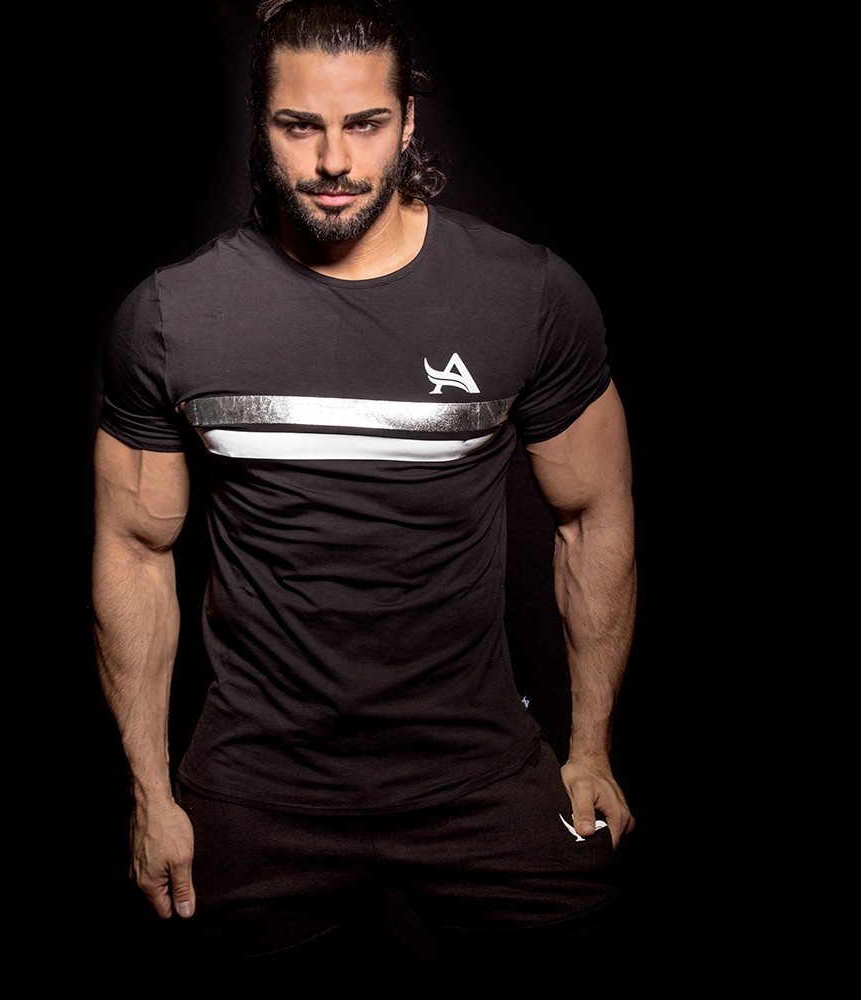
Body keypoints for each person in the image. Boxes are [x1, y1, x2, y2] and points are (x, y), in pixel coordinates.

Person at [92, 0, 638, 987]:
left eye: (366, 123)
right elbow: (134, 548)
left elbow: (590, 515)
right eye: (299, 126)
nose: (334, 161)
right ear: (259, 122)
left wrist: (591, 748)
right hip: (259, 779)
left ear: (409, 120)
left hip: (475, 770)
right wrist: (149, 794)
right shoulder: (173, 318)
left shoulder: (523, 294)